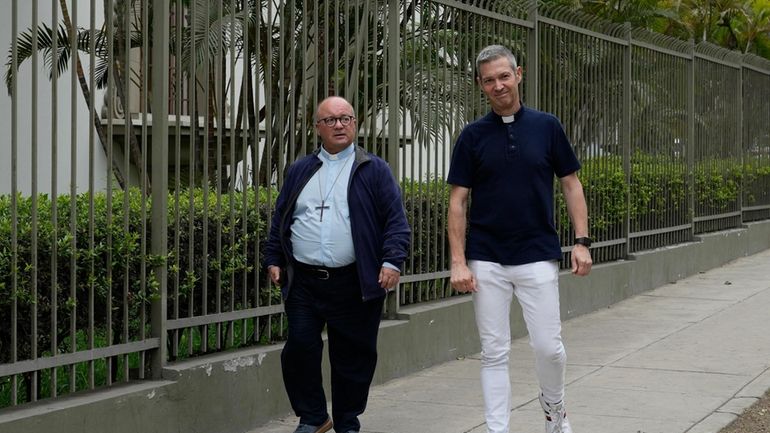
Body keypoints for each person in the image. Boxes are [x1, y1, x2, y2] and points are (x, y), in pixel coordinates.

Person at [446, 45, 593, 433]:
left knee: (549, 347)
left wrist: (582, 241)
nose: (498, 85)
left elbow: (571, 184)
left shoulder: (547, 126)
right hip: (487, 257)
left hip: (536, 253)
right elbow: (458, 201)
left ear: (519, 74)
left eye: (504, 76)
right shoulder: (472, 136)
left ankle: (554, 411)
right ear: (480, 85)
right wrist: (458, 261)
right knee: (494, 352)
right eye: (489, 80)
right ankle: (498, 429)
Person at [264, 96, 411, 433]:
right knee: (300, 348)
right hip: (303, 280)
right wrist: (273, 258)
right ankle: (314, 416)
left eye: (346, 118)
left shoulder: (373, 169)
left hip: (352, 281)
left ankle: (347, 420)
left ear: (355, 124)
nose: (339, 125)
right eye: (330, 120)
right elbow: (281, 217)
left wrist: (391, 261)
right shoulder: (300, 169)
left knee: (352, 358)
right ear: (318, 128)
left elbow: (396, 222)